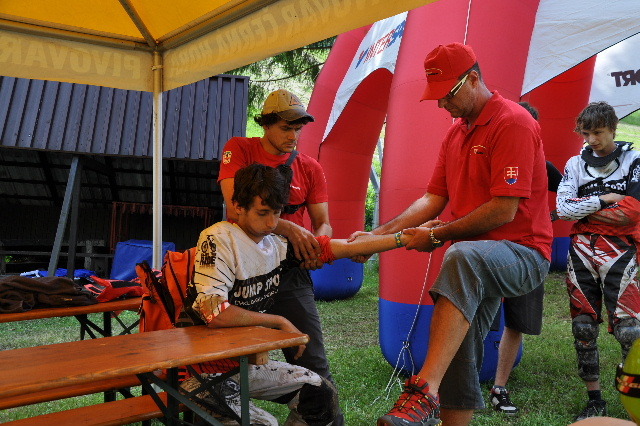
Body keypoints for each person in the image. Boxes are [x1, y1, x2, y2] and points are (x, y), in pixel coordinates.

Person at [351, 43, 553, 426]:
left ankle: (423, 391)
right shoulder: (456, 134)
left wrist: (440, 235)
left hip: (524, 255)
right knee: (456, 344)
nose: (443, 104)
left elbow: (504, 209)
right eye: (437, 96)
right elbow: (432, 198)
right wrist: (375, 237)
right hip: (476, 261)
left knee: (459, 255)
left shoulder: (513, 122)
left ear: (473, 79)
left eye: (448, 94)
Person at [181, 163, 415, 424]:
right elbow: (214, 312)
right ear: (237, 206)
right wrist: (279, 322)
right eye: (263, 213)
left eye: (277, 213)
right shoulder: (217, 239)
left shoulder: (276, 244)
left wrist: (403, 239)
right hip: (201, 371)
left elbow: (341, 247)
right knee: (265, 424)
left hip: (245, 366)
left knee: (319, 392)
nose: (272, 223)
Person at [217, 89, 343, 422]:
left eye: (298, 129)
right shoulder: (239, 149)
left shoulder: (310, 167)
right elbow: (235, 206)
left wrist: (317, 244)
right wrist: (291, 229)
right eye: (286, 128)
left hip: (289, 272)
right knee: (222, 361)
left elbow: (323, 221)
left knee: (312, 360)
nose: (293, 136)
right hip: (240, 268)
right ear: (266, 124)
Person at [556, 101, 640, 421]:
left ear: (613, 129)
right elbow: (563, 209)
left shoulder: (634, 160)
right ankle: (595, 399)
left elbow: (633, 211)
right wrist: (605, 199)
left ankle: (633, 400)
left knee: (630, 331)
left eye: (598, 133)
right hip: (582, 251)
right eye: (586, 133)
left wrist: (586, 208)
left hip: (622, 249)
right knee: (583, 326)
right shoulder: (575, 163)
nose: (592, 140)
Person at [488, 101, 563, 415]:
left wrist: (551, 217)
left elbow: (569, 192)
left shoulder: (542, 164)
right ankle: (459, 386)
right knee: (476, 320)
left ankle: (499, 387)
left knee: (517, 322)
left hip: (530, 252)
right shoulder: (493, 160)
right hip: (490, 251)